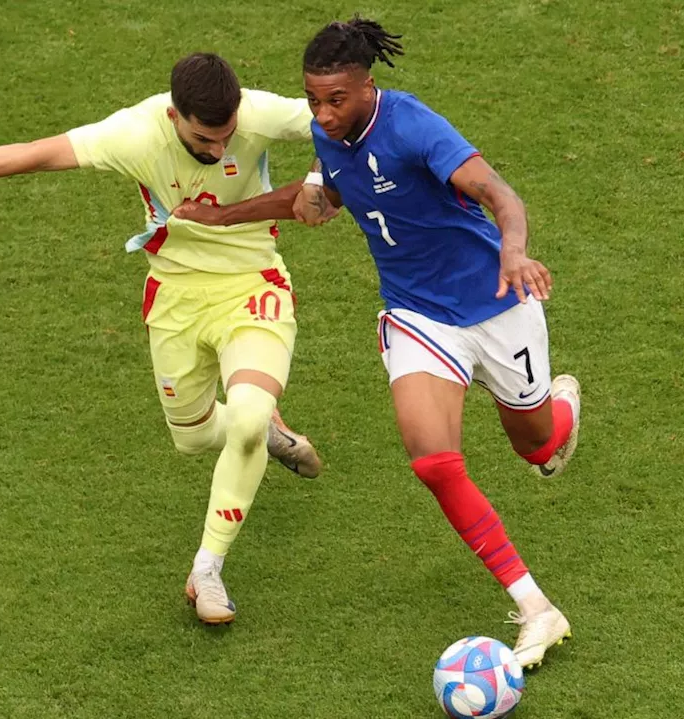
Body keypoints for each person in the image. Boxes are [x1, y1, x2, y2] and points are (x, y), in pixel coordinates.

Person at [173, 20, 581, 668]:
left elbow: (498, 193)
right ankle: (536, 607)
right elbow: (318, 196)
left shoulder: (415, 127)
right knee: (432, 460)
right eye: (312, 100)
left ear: (367, 86)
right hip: (419, 316)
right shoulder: (326, 136)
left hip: (495, 300)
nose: (322, 114)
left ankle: (560, 410)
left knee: (536, 444)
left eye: (335, 99)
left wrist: (515, 250)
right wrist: (221, 215)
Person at [0, 53, 324, 625]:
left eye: (228, 135)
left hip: (252, 285)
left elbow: (338, 123)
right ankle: (264, 434)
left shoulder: (255, 115)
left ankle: (208, 567)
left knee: (249, 417)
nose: (219, 148)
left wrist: (313, 178)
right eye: (206, 139)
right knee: (195, 437)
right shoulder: (133, 135)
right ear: (175, 115)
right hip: (177, 297)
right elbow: (38, 153)